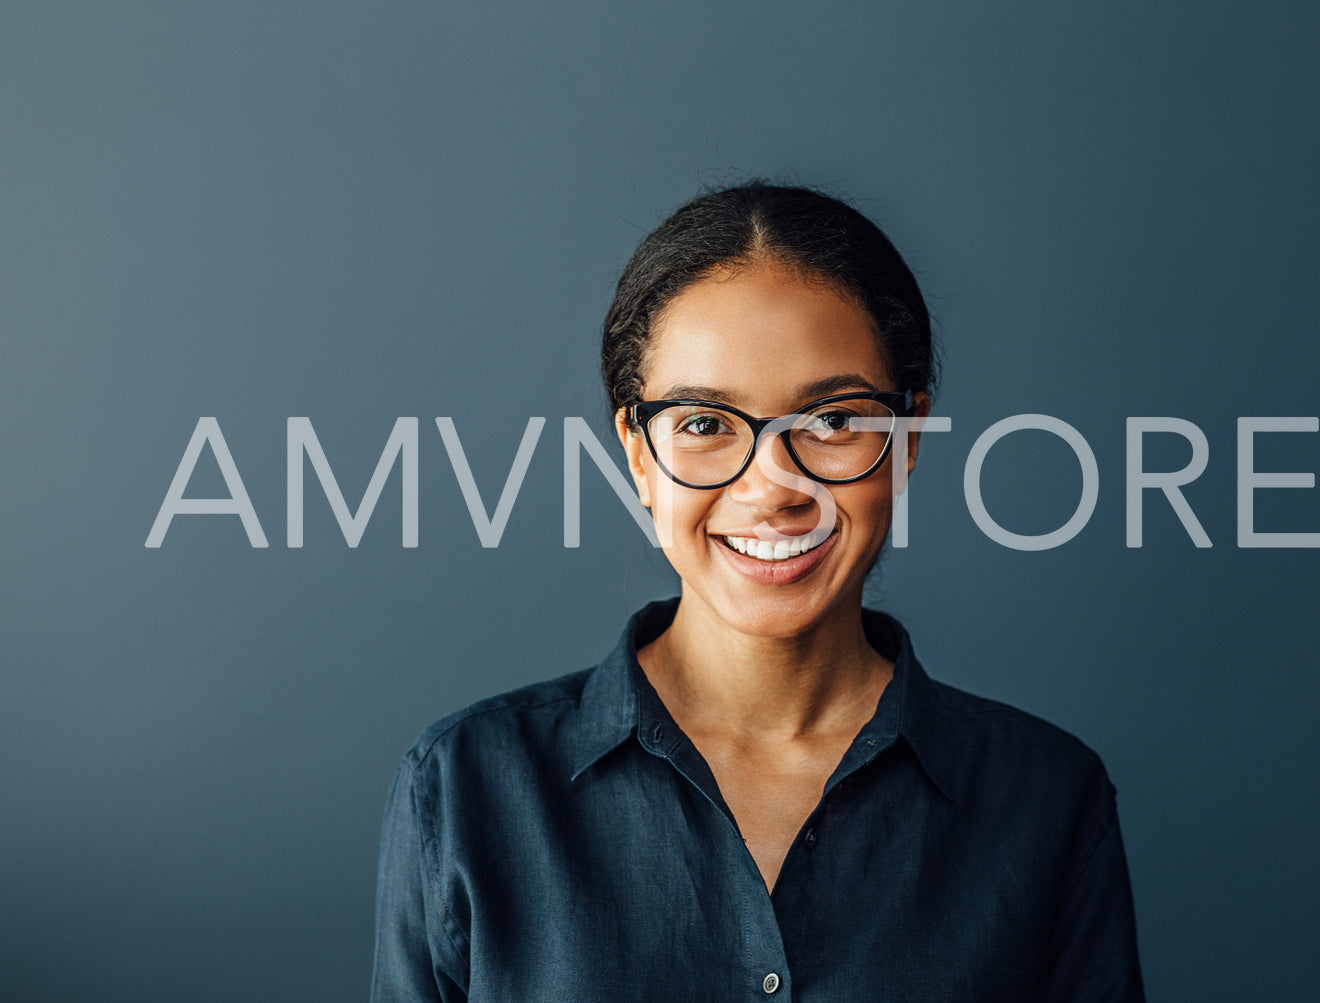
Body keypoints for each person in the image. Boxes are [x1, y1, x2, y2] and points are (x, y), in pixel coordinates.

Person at [370, 182, 1145, 1001]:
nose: (772, 488)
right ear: (637, 450)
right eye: (704, 424)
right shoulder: (463, 788)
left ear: (907, 435)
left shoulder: (1046, 798)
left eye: (834, 420)